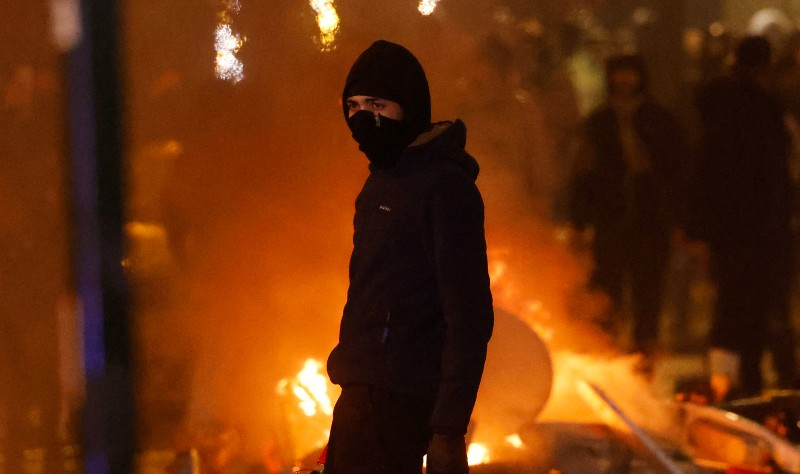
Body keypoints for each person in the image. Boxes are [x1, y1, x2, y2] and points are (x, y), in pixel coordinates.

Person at [324, 40, 494, 473]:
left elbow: (469, 316)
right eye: (354, 105)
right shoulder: (381, 180)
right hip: (361, 394)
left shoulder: (445, 188)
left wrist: (447, 429)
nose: (364, 117)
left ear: (410, 107)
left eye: (378, 103)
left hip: (401, 400)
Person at [686, 36, 797, 402]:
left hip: (742, 230)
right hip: (753, 229)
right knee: (747, 308)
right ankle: (741, 380)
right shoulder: (756, 111)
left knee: (738, 308)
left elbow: (703, 175)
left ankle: (734, 380)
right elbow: (766, 176)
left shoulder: (730, 110)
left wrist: (700, 230)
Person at [566, 54, 688, 359]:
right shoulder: (599, 122)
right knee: (608, 295)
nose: (624, 80)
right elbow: (584, 175)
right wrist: (578, 222)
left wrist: (679, 221)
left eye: (630, 73)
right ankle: (607, 357)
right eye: (619, 74)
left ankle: (645, 360)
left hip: (651, 222)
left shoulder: (660, 120)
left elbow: (678, 172)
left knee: (649, 296)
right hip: (611, 220)